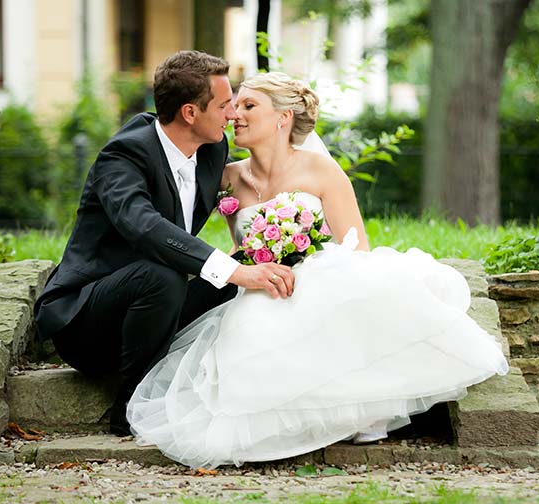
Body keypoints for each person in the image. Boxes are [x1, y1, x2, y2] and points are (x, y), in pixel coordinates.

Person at [126, 72, 510, 468]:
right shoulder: (225, 177)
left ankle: (352, 405)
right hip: (262, 285)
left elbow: (356, 247)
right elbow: (190, 234)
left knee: (339, 294)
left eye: (248, 105)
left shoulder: (321, 172)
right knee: (255, 321)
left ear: (283, 118)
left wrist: (310, 272)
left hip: (323, 275)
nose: (234, 115)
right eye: (234, 105)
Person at [33, 52, 295, 437]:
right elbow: (144, 227)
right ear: (190, 113)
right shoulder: (123, 156)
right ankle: (131, 408)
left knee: (257, 267)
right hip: (87, 323)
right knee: (171, 274)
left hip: (155, 307)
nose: (233, 114)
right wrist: (234, 270)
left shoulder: (212, 148)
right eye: (225, 105)